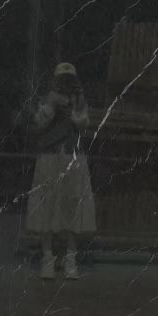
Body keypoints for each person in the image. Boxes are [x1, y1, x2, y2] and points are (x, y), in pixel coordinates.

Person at [26, 62, 96, 280]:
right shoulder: (46, 99)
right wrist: (51, 104)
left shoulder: (79, 101)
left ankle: (70, 258)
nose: (65, 84)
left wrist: (72, 106)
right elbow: (38, 123)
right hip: (49, 156)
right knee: (46, 206)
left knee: (73, 206)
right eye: (62, 80)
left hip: (72, 157)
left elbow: (82, 124)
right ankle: (47, 257)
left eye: (69, 80)